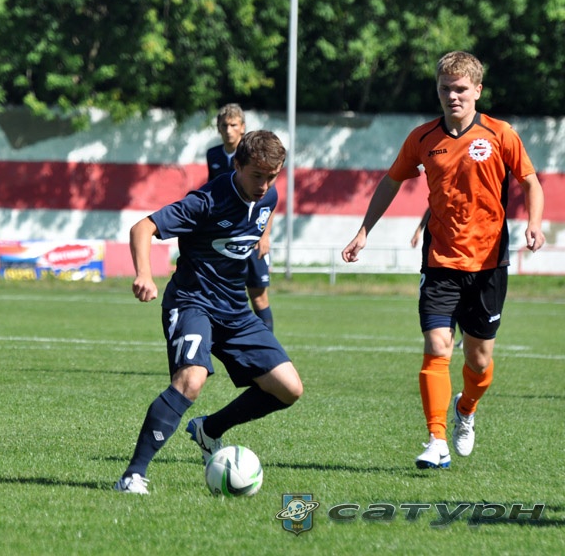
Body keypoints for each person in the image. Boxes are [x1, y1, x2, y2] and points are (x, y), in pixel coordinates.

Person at [342, 51, 545, 469]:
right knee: (438, 345)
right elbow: (391, 181)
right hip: (439, 262)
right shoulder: (422, 138)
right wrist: (364, 231)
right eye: (445, 89)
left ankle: (465, 408)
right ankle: (436, 439)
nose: (453, 96)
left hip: (488, 265)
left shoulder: (500, 133)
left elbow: (530, 180)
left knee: (479, 361)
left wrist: (534, 223)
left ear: (477, 91)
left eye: (461, 89)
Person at [114, 130, 304, 494]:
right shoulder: (206, 201)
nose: (264, 185)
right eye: (257, 176)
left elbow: (259, 218)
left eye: (272, 177)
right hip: (192, 302)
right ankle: (132, 476)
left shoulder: (268, 196)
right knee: (191, 380)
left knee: (289, 389)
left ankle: (209, 429)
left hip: (235, 309)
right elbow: (143, 227)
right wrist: (144, 274)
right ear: (237, 166)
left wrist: (263, 236)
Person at [206, 104, 275, 331]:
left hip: (251, 234)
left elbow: (269, 198)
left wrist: (264, 235)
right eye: (224, 125)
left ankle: (267, 346)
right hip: (224, 237)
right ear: (218, 128)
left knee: (258, 296)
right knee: (217, 294)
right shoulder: (213, 155)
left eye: (233, 125)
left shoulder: (252, 156)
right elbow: (212, 192)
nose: (229, 130)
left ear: (243, 127)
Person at [411, 207, 463, 349]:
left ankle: (467, 335)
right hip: (439, 255)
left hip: (466, 252)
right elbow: (432, 206)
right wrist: (419, 230)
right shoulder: (439, 199)